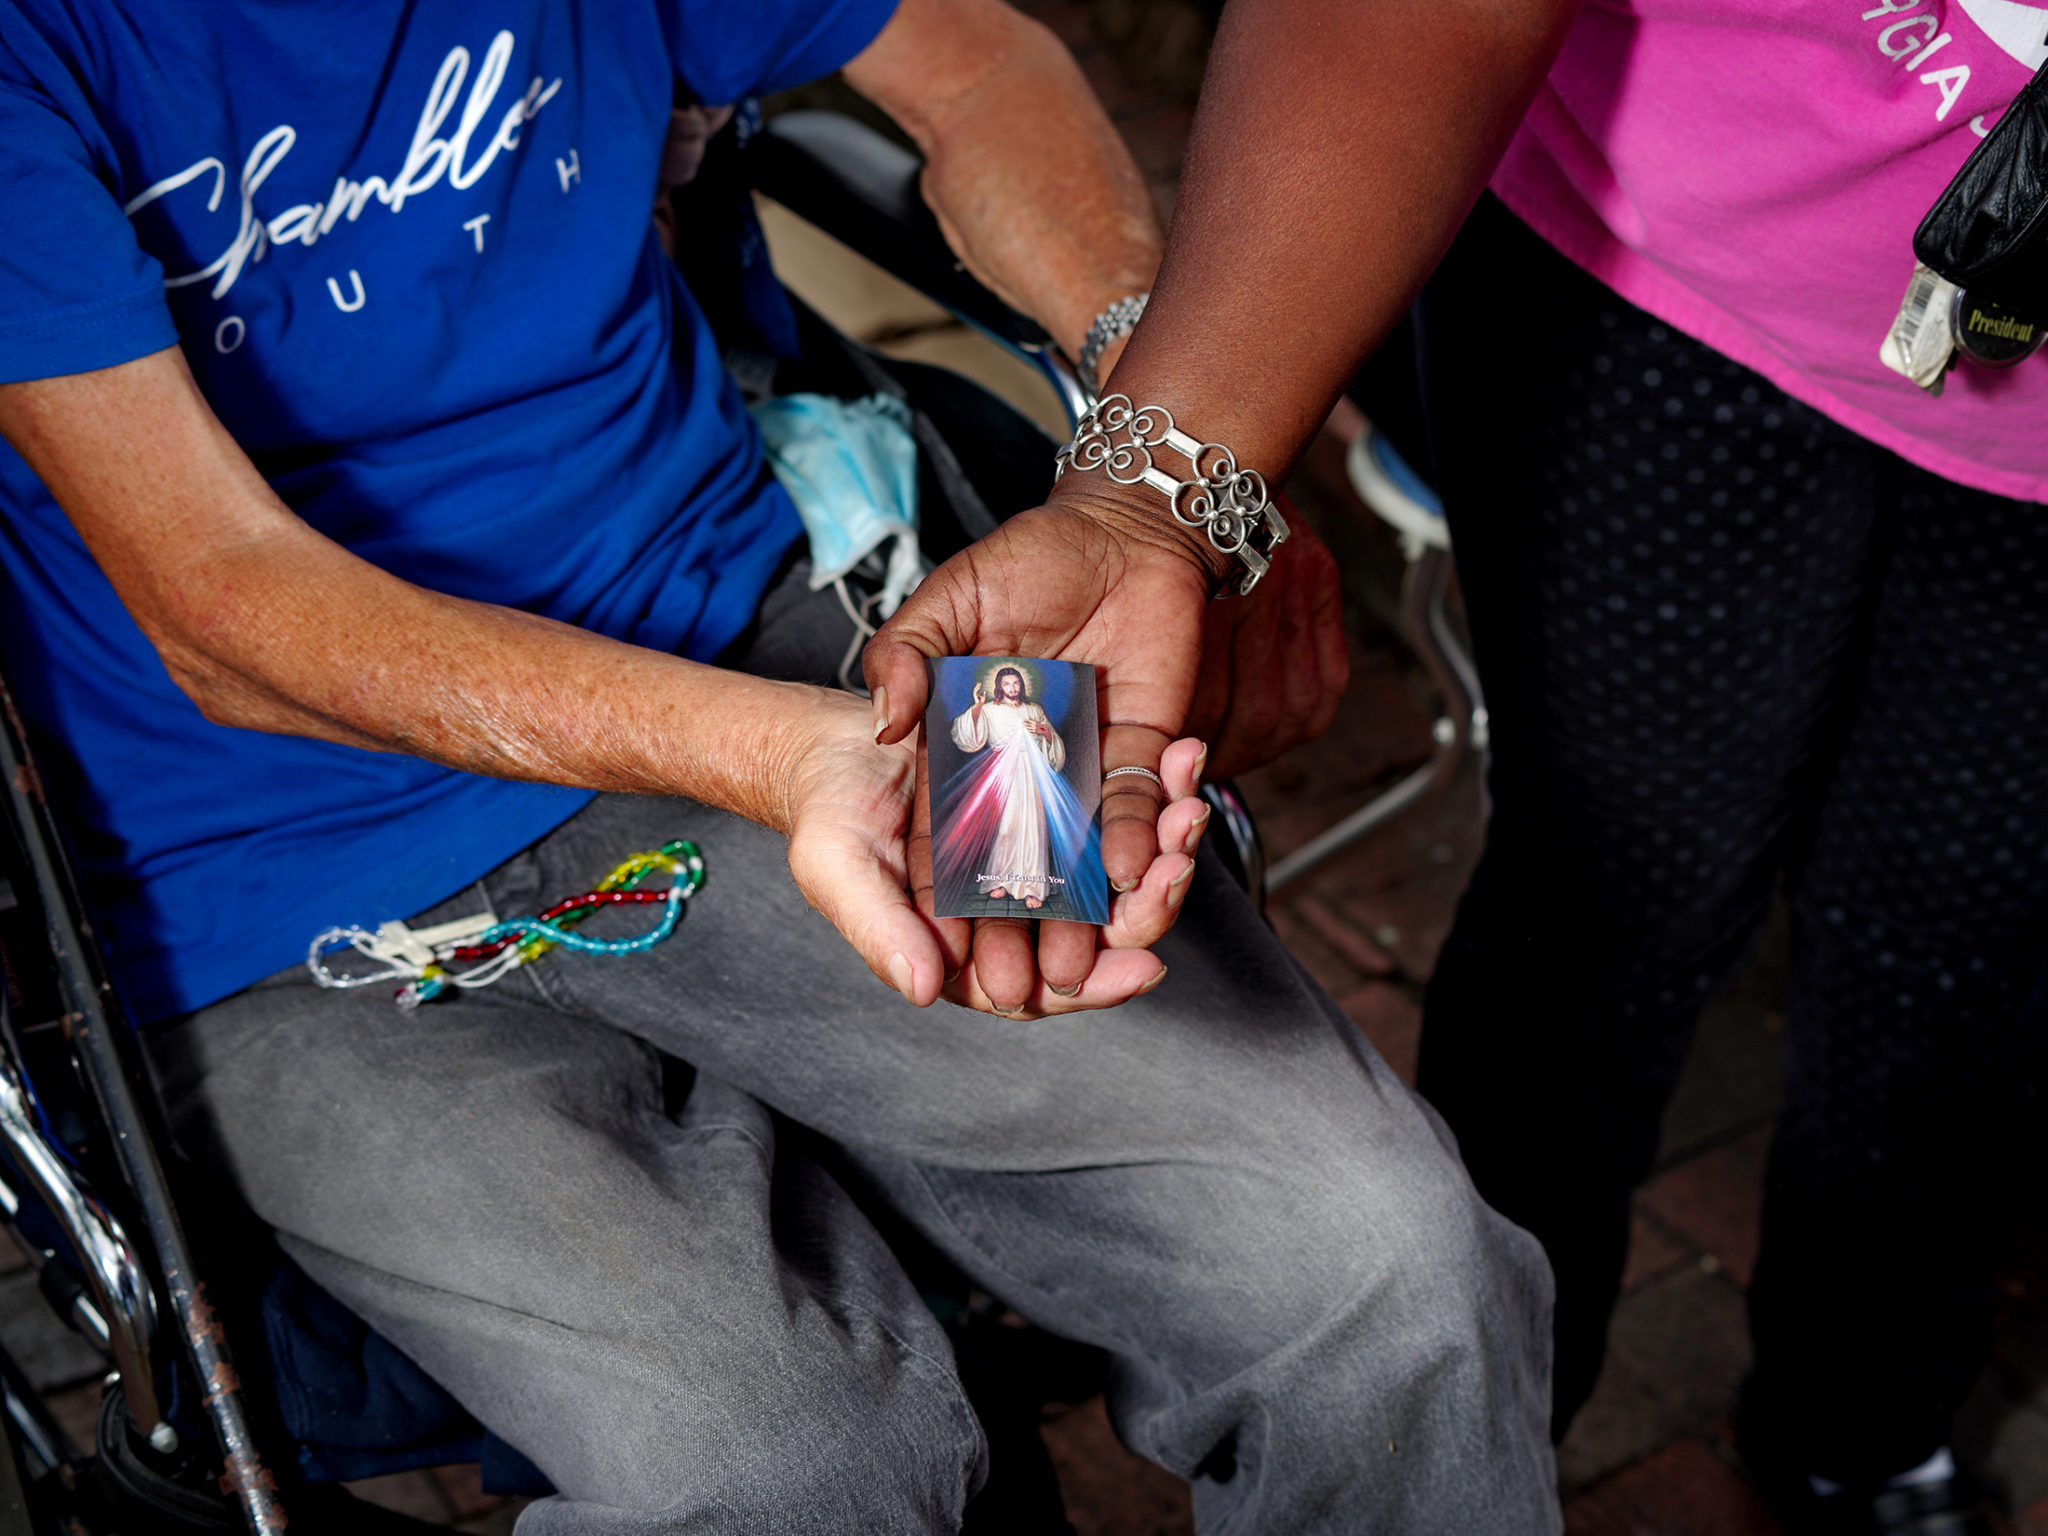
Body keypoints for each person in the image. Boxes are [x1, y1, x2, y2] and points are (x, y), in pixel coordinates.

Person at [0, 0, 1560, 1530]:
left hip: (790, 640)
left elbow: (977, 59)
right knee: (781, 1472)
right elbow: (225, 606)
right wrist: (794, 764)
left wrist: (1150, 442)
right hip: (262, 886)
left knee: (1388, 1264)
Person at [871, 0, 2046, 1530]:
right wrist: (1163, 481)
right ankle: (1489, 1437)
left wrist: (1156, 475)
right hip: (1679, 261)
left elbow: (968, 64)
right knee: (1609, 893)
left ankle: (1860, 1422)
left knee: (1965, 951)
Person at [949, 665, 1065, 907]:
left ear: (1022, 685)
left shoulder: (1033, 709)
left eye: (1016, 684)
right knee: (1006, 827)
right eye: (1007, 684)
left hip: (1032, 771)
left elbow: (1053, 741)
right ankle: (1000, 880)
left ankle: (1033, 887)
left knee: (1033, 827)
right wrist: (978, 707)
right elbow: (968, 737)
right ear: (999, 687)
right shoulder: (990, 709)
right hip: (1005, 770)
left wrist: (1044, 731)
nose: (1012, 688)